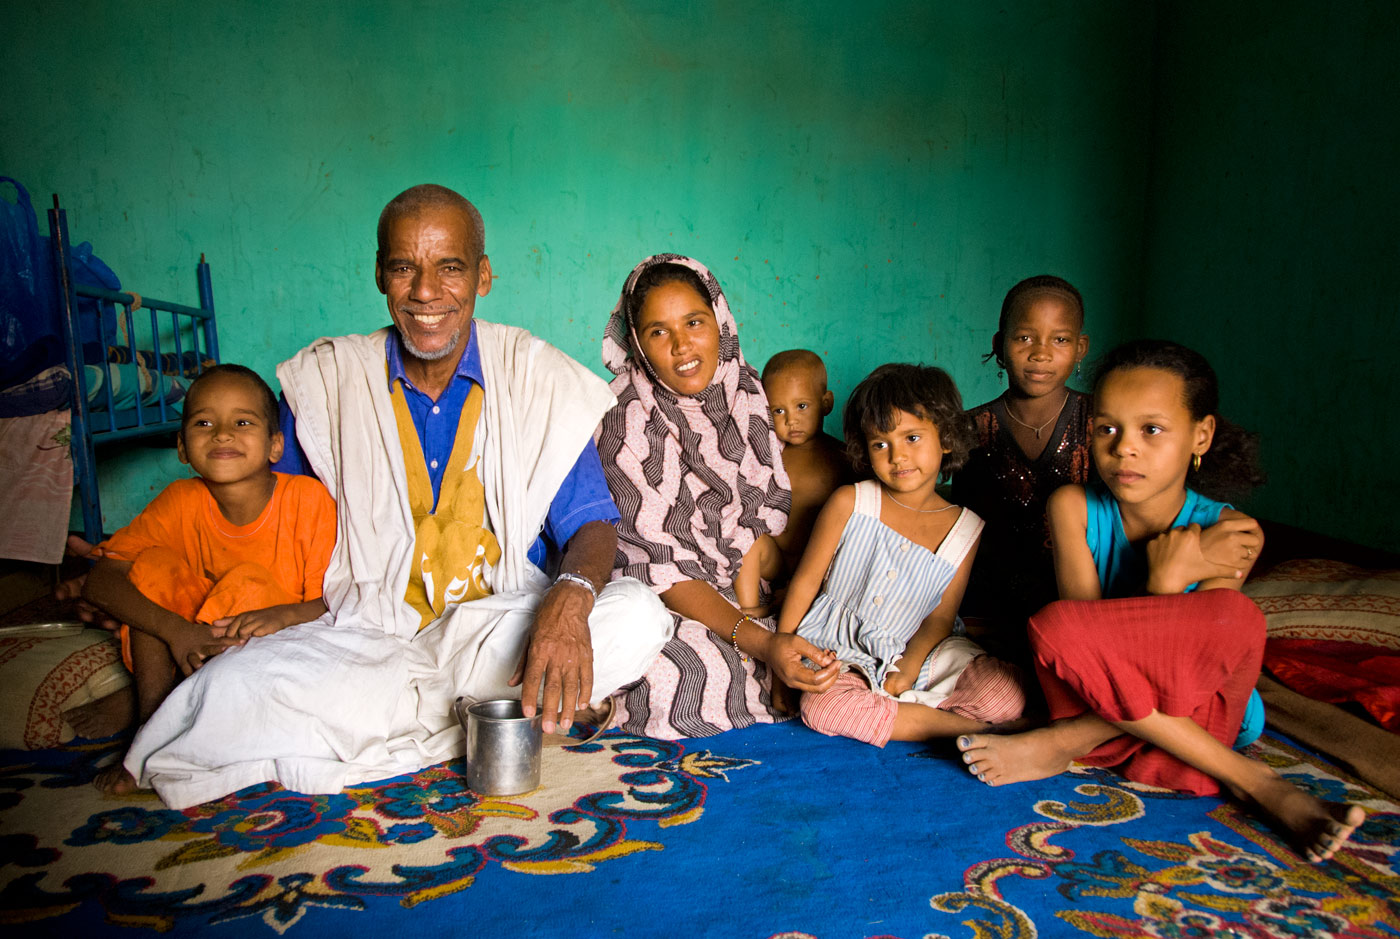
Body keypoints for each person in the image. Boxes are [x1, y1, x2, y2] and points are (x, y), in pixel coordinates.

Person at [120, 185, 671, 809]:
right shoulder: (328, 384)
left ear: (483, 276)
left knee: (637, 615)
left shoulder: (533, 376)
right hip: (367, 637)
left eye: (450, 267)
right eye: (405, 267)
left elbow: (591, 526)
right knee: (227, 696)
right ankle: (469, 720)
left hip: (492, 630)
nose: (426, 291)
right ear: (380, 274)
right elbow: (266, 511)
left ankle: (423, 719)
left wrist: (568, 607)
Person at [957, 340, 1365, 863]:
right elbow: (1088, 644)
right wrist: (1166, 582)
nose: (1124, 448)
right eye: (1107, 429)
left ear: (1201, 435)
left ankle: (1070, 745)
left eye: (1151, 430)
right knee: (1057, 626)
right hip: (1142, 715)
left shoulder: (1230, 531)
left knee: (1237, 618)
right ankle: (1254, 781)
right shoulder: (1073, 507)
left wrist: (1066, 735)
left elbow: (1201, 660)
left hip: (1200, 715)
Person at [597, 254, 840, 737]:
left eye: (694, 322)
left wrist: (777, 611)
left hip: (749, 582)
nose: (683, 346)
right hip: (664, 594)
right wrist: (761, 642)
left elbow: (761, 518)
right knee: (682, 677)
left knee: (838, 654)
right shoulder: (624, 417)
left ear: (719, 320)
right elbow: (654, 564)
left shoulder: (746, 389)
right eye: (658, 332)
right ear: (637, 344)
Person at [78, 364, 336, 793]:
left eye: (242, 422)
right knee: (152, 567)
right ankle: (150, 727)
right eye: (203, 422)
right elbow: (101, 581)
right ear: (182, 447)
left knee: (247, 583)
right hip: (192, 645)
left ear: (275, 445)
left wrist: (284, 614)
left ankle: (178, 722)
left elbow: (334, 602)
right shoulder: (180, 500)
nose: (221, 434)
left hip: (278, 652)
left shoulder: (308, 501)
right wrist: (177, 632)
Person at [778, 364, 1025, 746]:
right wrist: (784, 658)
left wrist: (907, 671)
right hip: (842, 649)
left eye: (911, 437)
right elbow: (806, 581)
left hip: (921, 652)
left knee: (1005, 695)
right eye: (881, 444)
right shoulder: (852, 501)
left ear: (945, 438)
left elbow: (940, 618)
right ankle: (973, 730)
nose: (897, 456)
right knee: (823, 708)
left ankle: (905, 708)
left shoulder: (966, 528)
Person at [953, 275, 1092, 657]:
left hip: (1077, 601)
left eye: (1060, 340)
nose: (1040, 354)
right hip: (988, 605)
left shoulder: (1099, 422)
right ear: (999, 345)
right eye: (1025, 338)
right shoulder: (969, 427)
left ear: (1080, 348)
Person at [760, 349, 853, 585]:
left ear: (826, 403)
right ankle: (750, 608)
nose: (791, 420)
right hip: (776, 558)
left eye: (801, 406)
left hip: (817, 564)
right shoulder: (770, 455)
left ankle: (795, 598)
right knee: (749, 543)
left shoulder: (843, 457)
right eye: (778, 411)